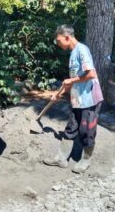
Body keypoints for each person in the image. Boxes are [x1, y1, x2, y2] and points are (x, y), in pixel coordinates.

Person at [43, 25, 104, 173]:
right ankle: (61, 158)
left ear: (67, 37)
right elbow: (73, 80)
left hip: (89, 99)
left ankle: (86, 160)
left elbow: (91, 74)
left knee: (87, 130)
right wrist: (59, 94)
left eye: (59, 40)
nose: (58, 44)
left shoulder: (82, 50)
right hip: (78, 99)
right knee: (71, 128)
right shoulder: (72, 54)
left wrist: (71, 82)